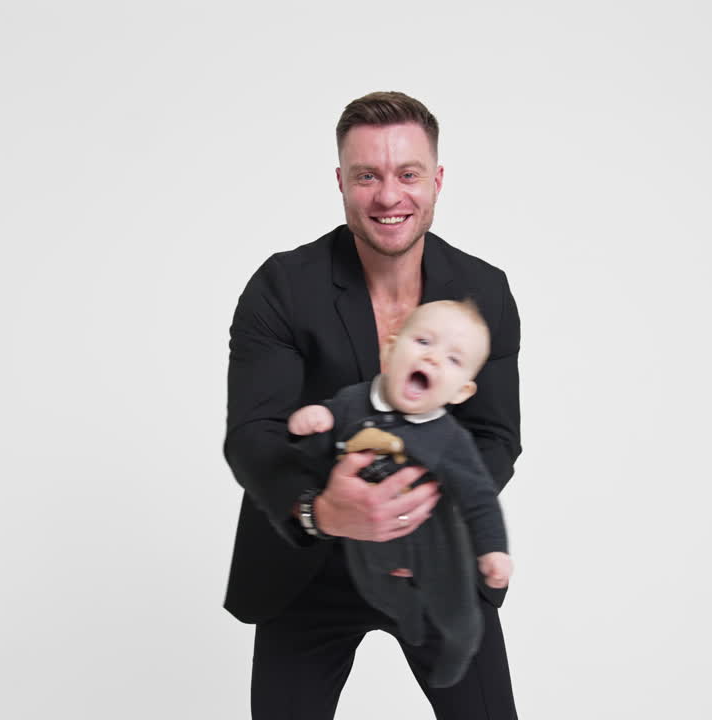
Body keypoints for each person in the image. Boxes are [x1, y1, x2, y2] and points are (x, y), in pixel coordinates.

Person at [224, 90, 521, 719]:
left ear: (437, 180)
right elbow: (253, 436)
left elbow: (496, 435)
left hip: (435, 559)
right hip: (305, 562)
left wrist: (416, 502)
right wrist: (322, 510)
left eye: (408, 173)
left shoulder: (485, 292)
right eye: (368, 176)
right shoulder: (281, 286)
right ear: (341, 182)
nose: (390, 196)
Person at [287, 299, 513, 688]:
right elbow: (316, 456)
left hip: (433, 544)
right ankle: (404, 609)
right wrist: (314, 424)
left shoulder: (449, 439)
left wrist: (493, 549)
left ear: (461, 392)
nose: (435, 359)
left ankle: (461, 641)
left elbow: (479, 498)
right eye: (423, 341)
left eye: (454, 360)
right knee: (379, 590)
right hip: (364, 540)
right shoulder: (351, 402)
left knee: (456, 608)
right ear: (390, 350)